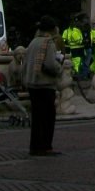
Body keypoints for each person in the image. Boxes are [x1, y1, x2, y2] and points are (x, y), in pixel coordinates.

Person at [21, 15, 64, 156]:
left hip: (32, 84)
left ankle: (35, 146)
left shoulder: (33, 42)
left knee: (37, 117)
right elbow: (50, 64)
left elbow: (25, 64)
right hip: (45, 84)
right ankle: (46, 146)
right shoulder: (48, 43)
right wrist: (59, 66)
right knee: (47, 118)